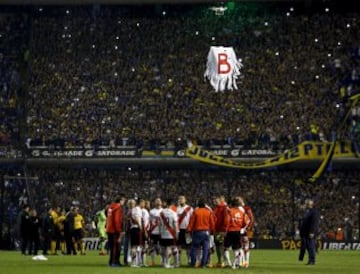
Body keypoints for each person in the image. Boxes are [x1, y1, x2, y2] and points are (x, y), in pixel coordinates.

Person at [186, 198, 215, 268]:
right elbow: (212, 223)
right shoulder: (208, 212)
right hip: (206, 232)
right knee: (205, 249)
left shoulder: (196, 212)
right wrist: (213, 231)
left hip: (197, 232)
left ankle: (193, 262)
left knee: (194, 248)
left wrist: (188, 230)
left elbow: (191, 222)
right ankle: (203, 264)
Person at [223, 198, 247, 269]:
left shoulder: (229, 211)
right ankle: (235, 264)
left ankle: (229, 263)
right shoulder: (241, 212)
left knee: (226, 248)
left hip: (230, 231)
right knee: (237, 249)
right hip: (238, 232)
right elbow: (245, 223)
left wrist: (225, 231)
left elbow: (227, 221)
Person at [159, 198, 179, 268]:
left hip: (163, 233)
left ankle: (164, 262)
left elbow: (160, 224)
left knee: (163, 249)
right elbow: (175, 224)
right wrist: (176, 234)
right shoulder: (173, 213)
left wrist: (160, 233)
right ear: (172, 204)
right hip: (170, 234)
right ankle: (168, 263)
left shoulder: (161, 212)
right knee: (169, 248)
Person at [299, 199, 319, 265]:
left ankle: (312, 261)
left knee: (311, 246)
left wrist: (312, 232)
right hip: (305, 233)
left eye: (307, 203)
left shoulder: (314, 212)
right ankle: (309, 259)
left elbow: (314, 223)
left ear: (310, 204)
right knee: (307, 247)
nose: (305, 204)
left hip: (310, 233)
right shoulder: (307, 212)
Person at [106, 196, 125, 267]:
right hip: (114, 230)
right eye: (123, 200)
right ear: (120, 201)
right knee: (116, 247)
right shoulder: (118, 208)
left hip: (109, 229)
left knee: (113, 247)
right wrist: (119, 230)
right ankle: (114, 262)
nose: (124, 202)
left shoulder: (110, 207)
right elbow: (117, 220)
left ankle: (113, 261)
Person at [237, 196, 254, 268]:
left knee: (245, 245)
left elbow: (251, 218)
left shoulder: (247, 208)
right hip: (238, 229)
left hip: (245, 230)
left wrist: (248, 227)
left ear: (242, 201)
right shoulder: (237, 208)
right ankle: (241, 262)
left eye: (238, 200)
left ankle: (246, 262)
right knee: (240, 246)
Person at [176, 195, 193, 265]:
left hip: (187, 230)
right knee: (178, 246)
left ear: (185, 200)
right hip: (179, 230)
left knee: (188, 246)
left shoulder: (189, 208)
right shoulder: (177, 209)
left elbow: (192, 219)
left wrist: (190, 228)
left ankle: (188, 260)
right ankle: (178, 261)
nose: (181, 200)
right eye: (179, 199)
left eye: (182, 199)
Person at [213, 195, 227, 268]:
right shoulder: (215, 209)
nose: (214, 202)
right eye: (214, 201)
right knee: (218, 245)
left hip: (221, 230)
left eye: (216, 201)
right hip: (216, 230)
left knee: (221, 245)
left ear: (220, 201)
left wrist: (224, 229)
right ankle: (220, 261)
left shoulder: (223, 208)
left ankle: (223, 261)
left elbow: (225, 219)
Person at [148, 198, 163, 266]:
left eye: (159, 201)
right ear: (154, 202)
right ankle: (153, 261)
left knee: (162, 247)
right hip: (153, 232)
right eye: (156, 201)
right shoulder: (151, 211)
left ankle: (163, 261)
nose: (158, 202)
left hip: (161, 232)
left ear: (161, 202)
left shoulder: (163, 211)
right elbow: (149, 222)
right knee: (152, 247)